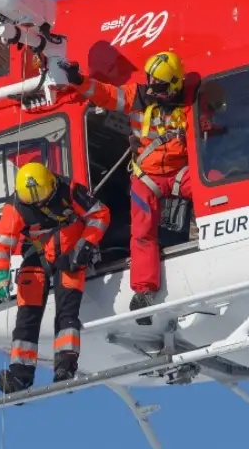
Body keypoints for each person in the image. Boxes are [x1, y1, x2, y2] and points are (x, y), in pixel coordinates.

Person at [63, 51, 192, 325]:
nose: (153, 89)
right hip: (147, 177)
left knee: (210, 190)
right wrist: (78, 81)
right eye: (152, 83)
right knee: (142, 231)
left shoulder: (189, 99)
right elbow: (107, 94)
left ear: (174, 85)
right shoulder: (138, 97)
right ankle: (144, 291)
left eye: (159, 86)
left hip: (182, 171)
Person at [0, 161, 110, 394]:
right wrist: (1, 276)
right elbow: (0, 244)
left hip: (70, 256)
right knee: (26, 319)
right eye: (33, 202)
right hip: (36, 258)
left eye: (43, 198)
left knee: (67, 313)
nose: (39, 204)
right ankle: (19, 376)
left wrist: (85, 246)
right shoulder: (15, 208)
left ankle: (65, 367)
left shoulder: (70, 189)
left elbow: (99, 214)